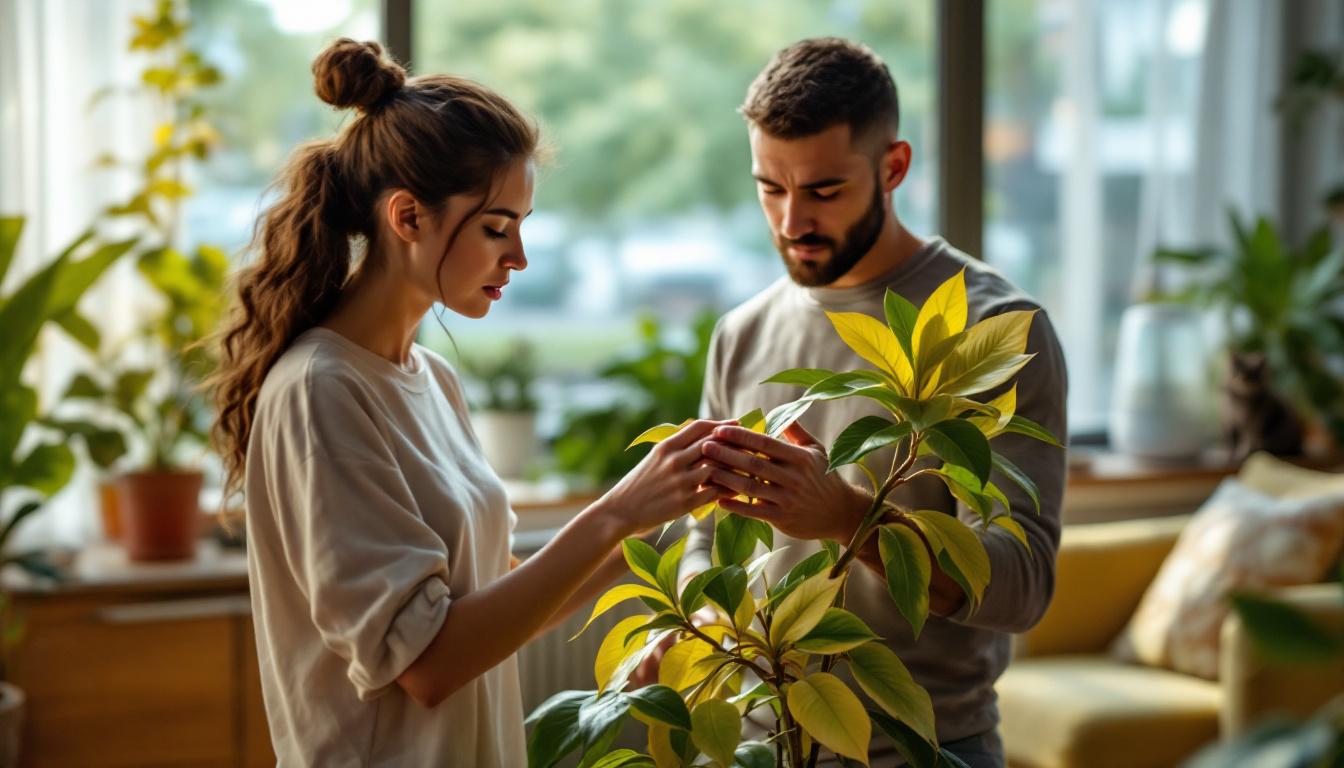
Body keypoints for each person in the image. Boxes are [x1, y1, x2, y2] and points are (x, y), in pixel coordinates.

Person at [207, 38, 726, 767]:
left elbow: (496, 596)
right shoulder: (320, 391)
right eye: (495, 228)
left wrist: (686, 505)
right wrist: (617, 510)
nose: (518, 258)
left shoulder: (432, 381)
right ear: (408, 218)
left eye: (521, 227)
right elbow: (428, 662)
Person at [676, 38, 1069, 768]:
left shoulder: (995, 331)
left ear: (893, 168)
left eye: (823, 191)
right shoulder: (742, 333)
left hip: (924, 749)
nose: (792, 221)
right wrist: (698, 624)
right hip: (753, 745)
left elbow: (1022, 586)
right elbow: (708, 538)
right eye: (770, 187)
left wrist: (846, 515)